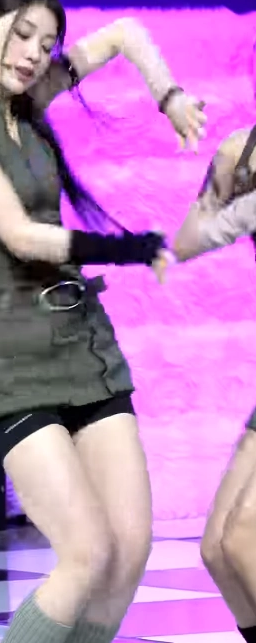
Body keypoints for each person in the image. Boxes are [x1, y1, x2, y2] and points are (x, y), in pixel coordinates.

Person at [0, 0, 206, 643]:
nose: (34, 53)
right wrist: (128, 247)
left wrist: (167, 95)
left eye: (47, 42)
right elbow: (21, 236)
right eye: (21, 34)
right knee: (85, 554)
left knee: (128, 550)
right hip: (13, 353)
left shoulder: (29, 103)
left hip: (83, 340)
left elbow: (126, 33)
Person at [173, 123, 256, 643]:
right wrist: (233, 198)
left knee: (244, 536)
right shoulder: (239, 150)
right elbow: (186, 243)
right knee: (217, 551)